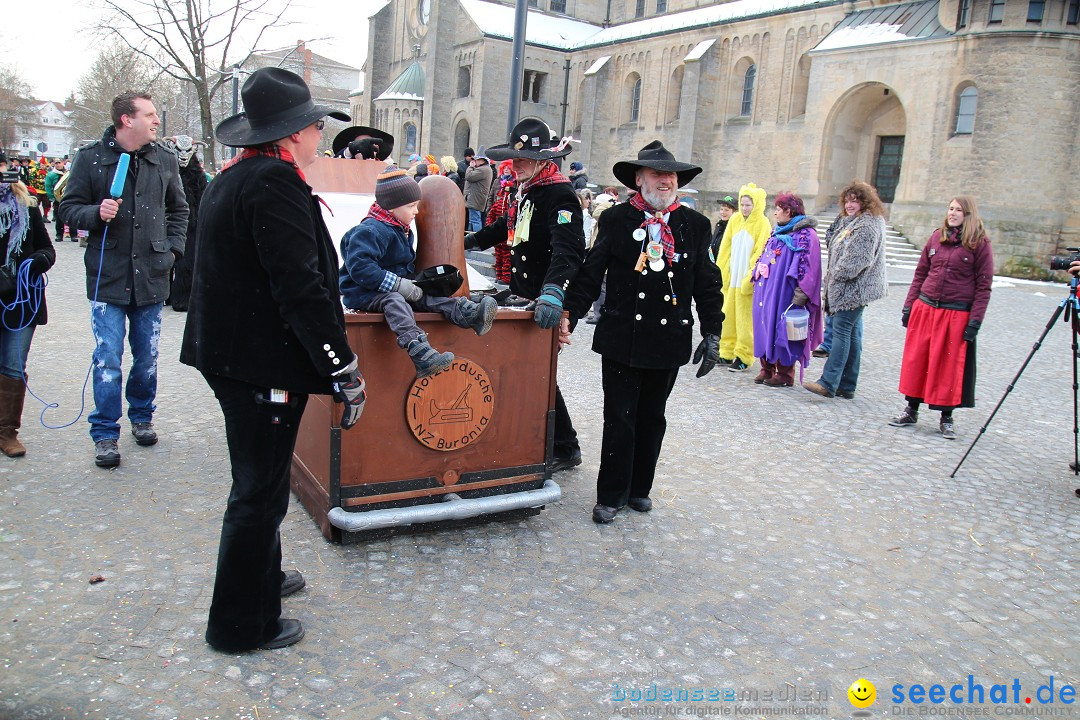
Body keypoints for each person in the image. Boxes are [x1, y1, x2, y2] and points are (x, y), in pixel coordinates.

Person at [180, 67, 367, 653]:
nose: (320, 137)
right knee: (258, 493)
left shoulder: (236, 176)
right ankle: (240, 625)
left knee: (261, 481)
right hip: (257, 363)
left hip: (233, 354)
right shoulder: (272, 183)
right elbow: (300, 288)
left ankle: (262, 578)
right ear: (292, 134)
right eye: (315, 127)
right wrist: (342, 366)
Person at [560, 141, 724, 523]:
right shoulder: (617, 220)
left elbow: (707, 282)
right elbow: (590, 273)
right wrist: (570, 315)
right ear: (639, 179)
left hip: (669, 339)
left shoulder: (695, 225)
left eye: (670, 175)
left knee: (653, 417)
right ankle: (611, 495)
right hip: (622, 337)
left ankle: (640, 490)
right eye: (656, 174)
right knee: (620, 416)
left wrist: (713, 331)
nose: (665, 181)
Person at [59, 91, 189, 469]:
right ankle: (104, 433)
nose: (156, 120)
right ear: (125, 120)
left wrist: (172, 252)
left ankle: (142, 415)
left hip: (152, 273)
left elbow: (178, 209)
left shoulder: (164, 158)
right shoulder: (90, 158)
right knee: (107, 358)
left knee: (146, 356)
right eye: (149, 114)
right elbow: (67, 208)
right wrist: (94, 212)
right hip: (108, 276)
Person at [466, 118, 585, 472]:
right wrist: (471, 240)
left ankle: (565, 447)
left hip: (543, 297)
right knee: (527, 371)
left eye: (523, 159)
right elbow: (507, 226)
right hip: (523, 293)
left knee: (540, 373)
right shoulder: (528, 189)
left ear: (542, 161)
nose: (515, 164)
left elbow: (568, 250)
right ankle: (536, 437)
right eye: (514, 158)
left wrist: (552, 293)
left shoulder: (559, 193)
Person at [339, 165, 497, 377]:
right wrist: (399, 285)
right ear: (392, 206)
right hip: (362, 292)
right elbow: (361, 268)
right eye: (411, 206)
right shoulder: (369, 231)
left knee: (425, 297)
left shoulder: (399, 229)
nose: (416, 211)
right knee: (394, 300)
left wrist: (422, 282)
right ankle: (418, 349)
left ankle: (466, 313)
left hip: (390, 286)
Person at [888, 196, 993, 439]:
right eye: (951, 208)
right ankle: (911, 409)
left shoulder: (979, 243)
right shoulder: (937, 237)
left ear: (968, 215)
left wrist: (975, 321)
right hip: (926, 308)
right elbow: (921, 273)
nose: (953, 213)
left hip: (955, 312)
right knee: (918, 361)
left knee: (946, 367)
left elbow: (983, 287)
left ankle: (946, 417)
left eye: (958, 210)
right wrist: (909, 306)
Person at [803, 180, 887, 400]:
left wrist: (836, 276)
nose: (850, 205)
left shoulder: (867, 225)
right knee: (850, 335)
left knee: (841, 333)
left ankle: (828, 382)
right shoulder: (852, 221)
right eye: (847, 200)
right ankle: (847, 385)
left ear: (865, 202)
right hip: (849, 288)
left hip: (852, 290)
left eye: (855, 200)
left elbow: (857, 261)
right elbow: (832, 237)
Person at [0, 151, 56, 458]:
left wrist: (38, 260)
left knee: (13, 365)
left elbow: (48, 249)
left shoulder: (28, 205)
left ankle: (7, 432)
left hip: (22, 301)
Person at [750, 192, 823, 387]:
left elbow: (810, 268)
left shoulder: (806, 235)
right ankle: (766, 367)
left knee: (782, 329)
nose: (775, 214)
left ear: (788, 211)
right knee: (764, 326)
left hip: (785, 293)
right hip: (767, 291)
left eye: (778, 210)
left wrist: (801, 295)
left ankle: (784, 372)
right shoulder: (779, 231)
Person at [716, 183, 770, 371]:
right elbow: (726, 247)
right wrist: (720, 271)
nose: (745, 208)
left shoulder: (762, 223)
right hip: (732, 278)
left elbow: (761, 250)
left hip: (747, 280)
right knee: (727, 316)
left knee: (745, 320)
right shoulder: (735, 220)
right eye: (743, 204)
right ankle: (726, 350)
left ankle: (744, 355)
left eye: (748, 205)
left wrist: (751, 277)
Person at [160, 136, 208, 312]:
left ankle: (182, 295)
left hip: (191, 223)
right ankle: (166, 293)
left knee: (186, 260)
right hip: (169, 221)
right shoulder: (165, 169)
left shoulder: (197, 175)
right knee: (166, 257)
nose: (183, 156)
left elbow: (202, 197)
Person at [486, 159, 516, 285]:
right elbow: (491, 213)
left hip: (508, 234)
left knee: (507, 257)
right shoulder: (498, 203)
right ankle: (499, 275)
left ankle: (505, 277)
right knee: (499, 256)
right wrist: (489, 226)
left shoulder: (512, 205)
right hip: (497, 233)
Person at [464, 151, 492, 232]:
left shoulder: (484, 170)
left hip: (476, 198)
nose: (474, 161)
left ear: (482, 160)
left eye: (476, 160)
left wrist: (471, 167)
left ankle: (476, 239)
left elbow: (469, 177)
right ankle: (471, 237)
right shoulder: (483, 169)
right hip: (474, 198)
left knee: (475, 220)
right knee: (472, 220)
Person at [708, 194, 737, 263]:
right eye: (721, 209)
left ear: (734, 212)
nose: (722, 212)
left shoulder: (735, 228)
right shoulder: (719, 225)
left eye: (726, 210)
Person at [44, 159, 66, 240]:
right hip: (57, 199)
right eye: (56, 163)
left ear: (63, 163)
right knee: (58, 217)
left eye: (59, 163)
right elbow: (48, 186)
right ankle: (59, 235)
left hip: (68, 197)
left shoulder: (68, 173)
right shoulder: (51, 175)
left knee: (71, 216)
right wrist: (52, 197)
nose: (58, 165)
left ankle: (73, 234)